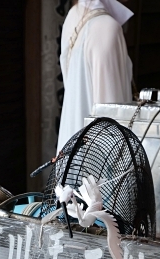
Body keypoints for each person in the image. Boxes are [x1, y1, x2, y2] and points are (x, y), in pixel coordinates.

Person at [57, 0, 133, 150]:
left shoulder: (75, 14)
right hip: (97, 163)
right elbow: (111, 123)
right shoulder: (107, 27)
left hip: (70, 154)